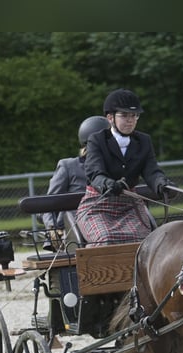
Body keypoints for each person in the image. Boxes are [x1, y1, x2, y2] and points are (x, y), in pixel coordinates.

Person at [75, 88, 175, 246]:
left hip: (129, 205)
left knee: (144, 242)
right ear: (110, 117)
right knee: (106, 239)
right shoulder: (96, 140)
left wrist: (161, 183)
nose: (130, 120)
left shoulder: (144, 141)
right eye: (124, 115)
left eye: (134, 116)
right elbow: (95, 172)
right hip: (98, 204)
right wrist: (108, 184)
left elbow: (151, 171)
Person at [40, 115, 111, 251]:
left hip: (108, 220)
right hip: (72, 227)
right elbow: (49, 202)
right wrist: (52, 227)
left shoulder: (116, 167)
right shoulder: (68, 166)